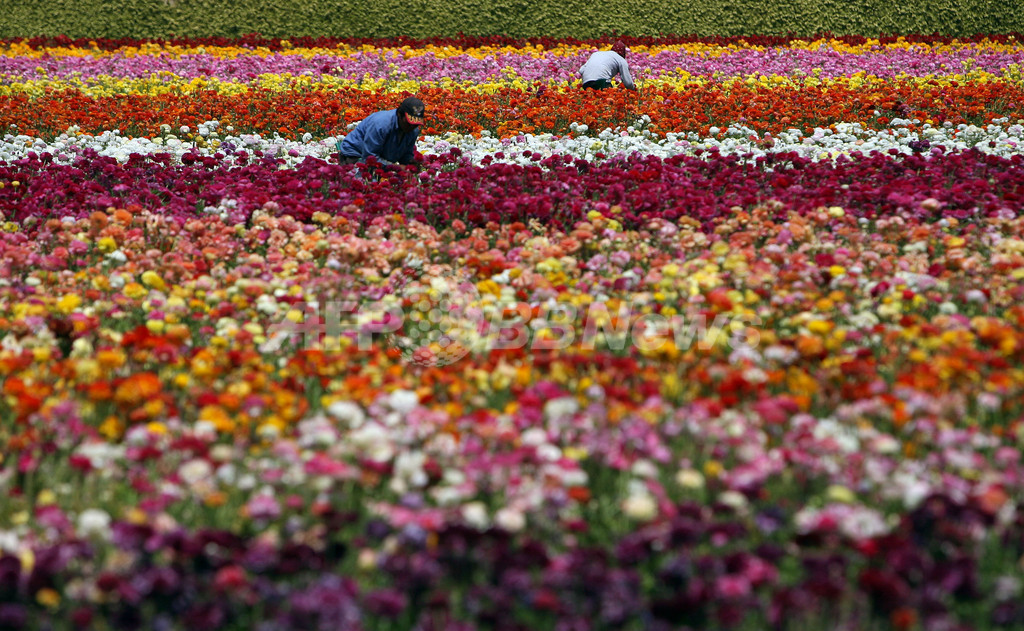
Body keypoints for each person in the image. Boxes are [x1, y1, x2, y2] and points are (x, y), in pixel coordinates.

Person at [336, 97, 425, 166]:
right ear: (399, 114)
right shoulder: (381, 124)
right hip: (356, 155)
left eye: (416, 124)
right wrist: (395, 167)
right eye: (409, 123)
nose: (412, 127)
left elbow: (406, 155)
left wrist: (411, 163)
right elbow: (369, 157)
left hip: (382, 158)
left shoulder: (413, 131)